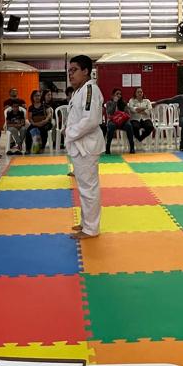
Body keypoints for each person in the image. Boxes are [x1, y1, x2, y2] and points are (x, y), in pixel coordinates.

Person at [66, 55, 104, 239]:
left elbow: (91, 120)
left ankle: (91, 229)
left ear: (86, 71)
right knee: (84, 188)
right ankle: (86, 222)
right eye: (69, 71)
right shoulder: (79, 91)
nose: (70, 74)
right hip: (80, 145)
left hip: (86, 146)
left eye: (74, 70)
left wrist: (69, 133)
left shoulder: (90, 90)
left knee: (89, 188)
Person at [104, 88, 136, 155]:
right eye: (117, 94)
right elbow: (109, 112)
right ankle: (108, 146)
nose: (119, 95)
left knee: (129, 126)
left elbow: (128, 114)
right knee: (111, 126)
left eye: (120, 94)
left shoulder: (123, 103)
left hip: (122, 121)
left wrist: (125, 112)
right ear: (113, 95)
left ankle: (132, 147)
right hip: (113, 120)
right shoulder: (109, 103)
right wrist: (114, 102)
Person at [25, 88, 53, 155]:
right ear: (32, 97)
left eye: (38, 95)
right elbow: (30, 118)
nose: (37, 97)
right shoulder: (31, 107)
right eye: (35, 96)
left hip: (45, 123)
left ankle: (42, 148)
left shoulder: (45, 105)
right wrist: (35, 124)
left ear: (41, 97)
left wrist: (44, 121)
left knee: (44, 130)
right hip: (35, 123)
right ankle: (28, 149)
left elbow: (49, 115)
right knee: (28, 132)